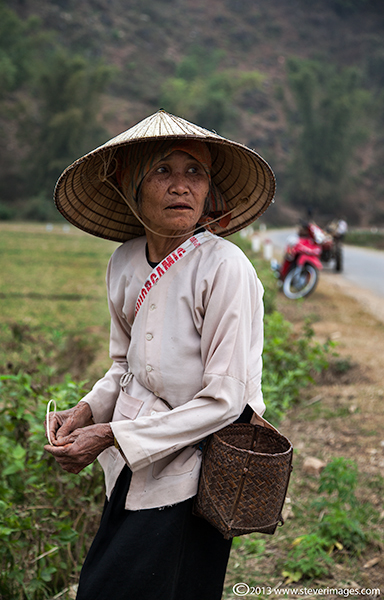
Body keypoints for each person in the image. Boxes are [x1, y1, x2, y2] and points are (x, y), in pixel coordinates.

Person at [44, 110, 276, 600]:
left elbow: (224, 401)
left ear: (209, 189)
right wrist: (87, 409)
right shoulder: (126, 261)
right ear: (131, 185)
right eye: (163, 171)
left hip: (195, 474)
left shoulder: (224, 268)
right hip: (133, 465)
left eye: (195, 172)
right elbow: (123, 366)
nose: (181, 186)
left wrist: (108, 434)